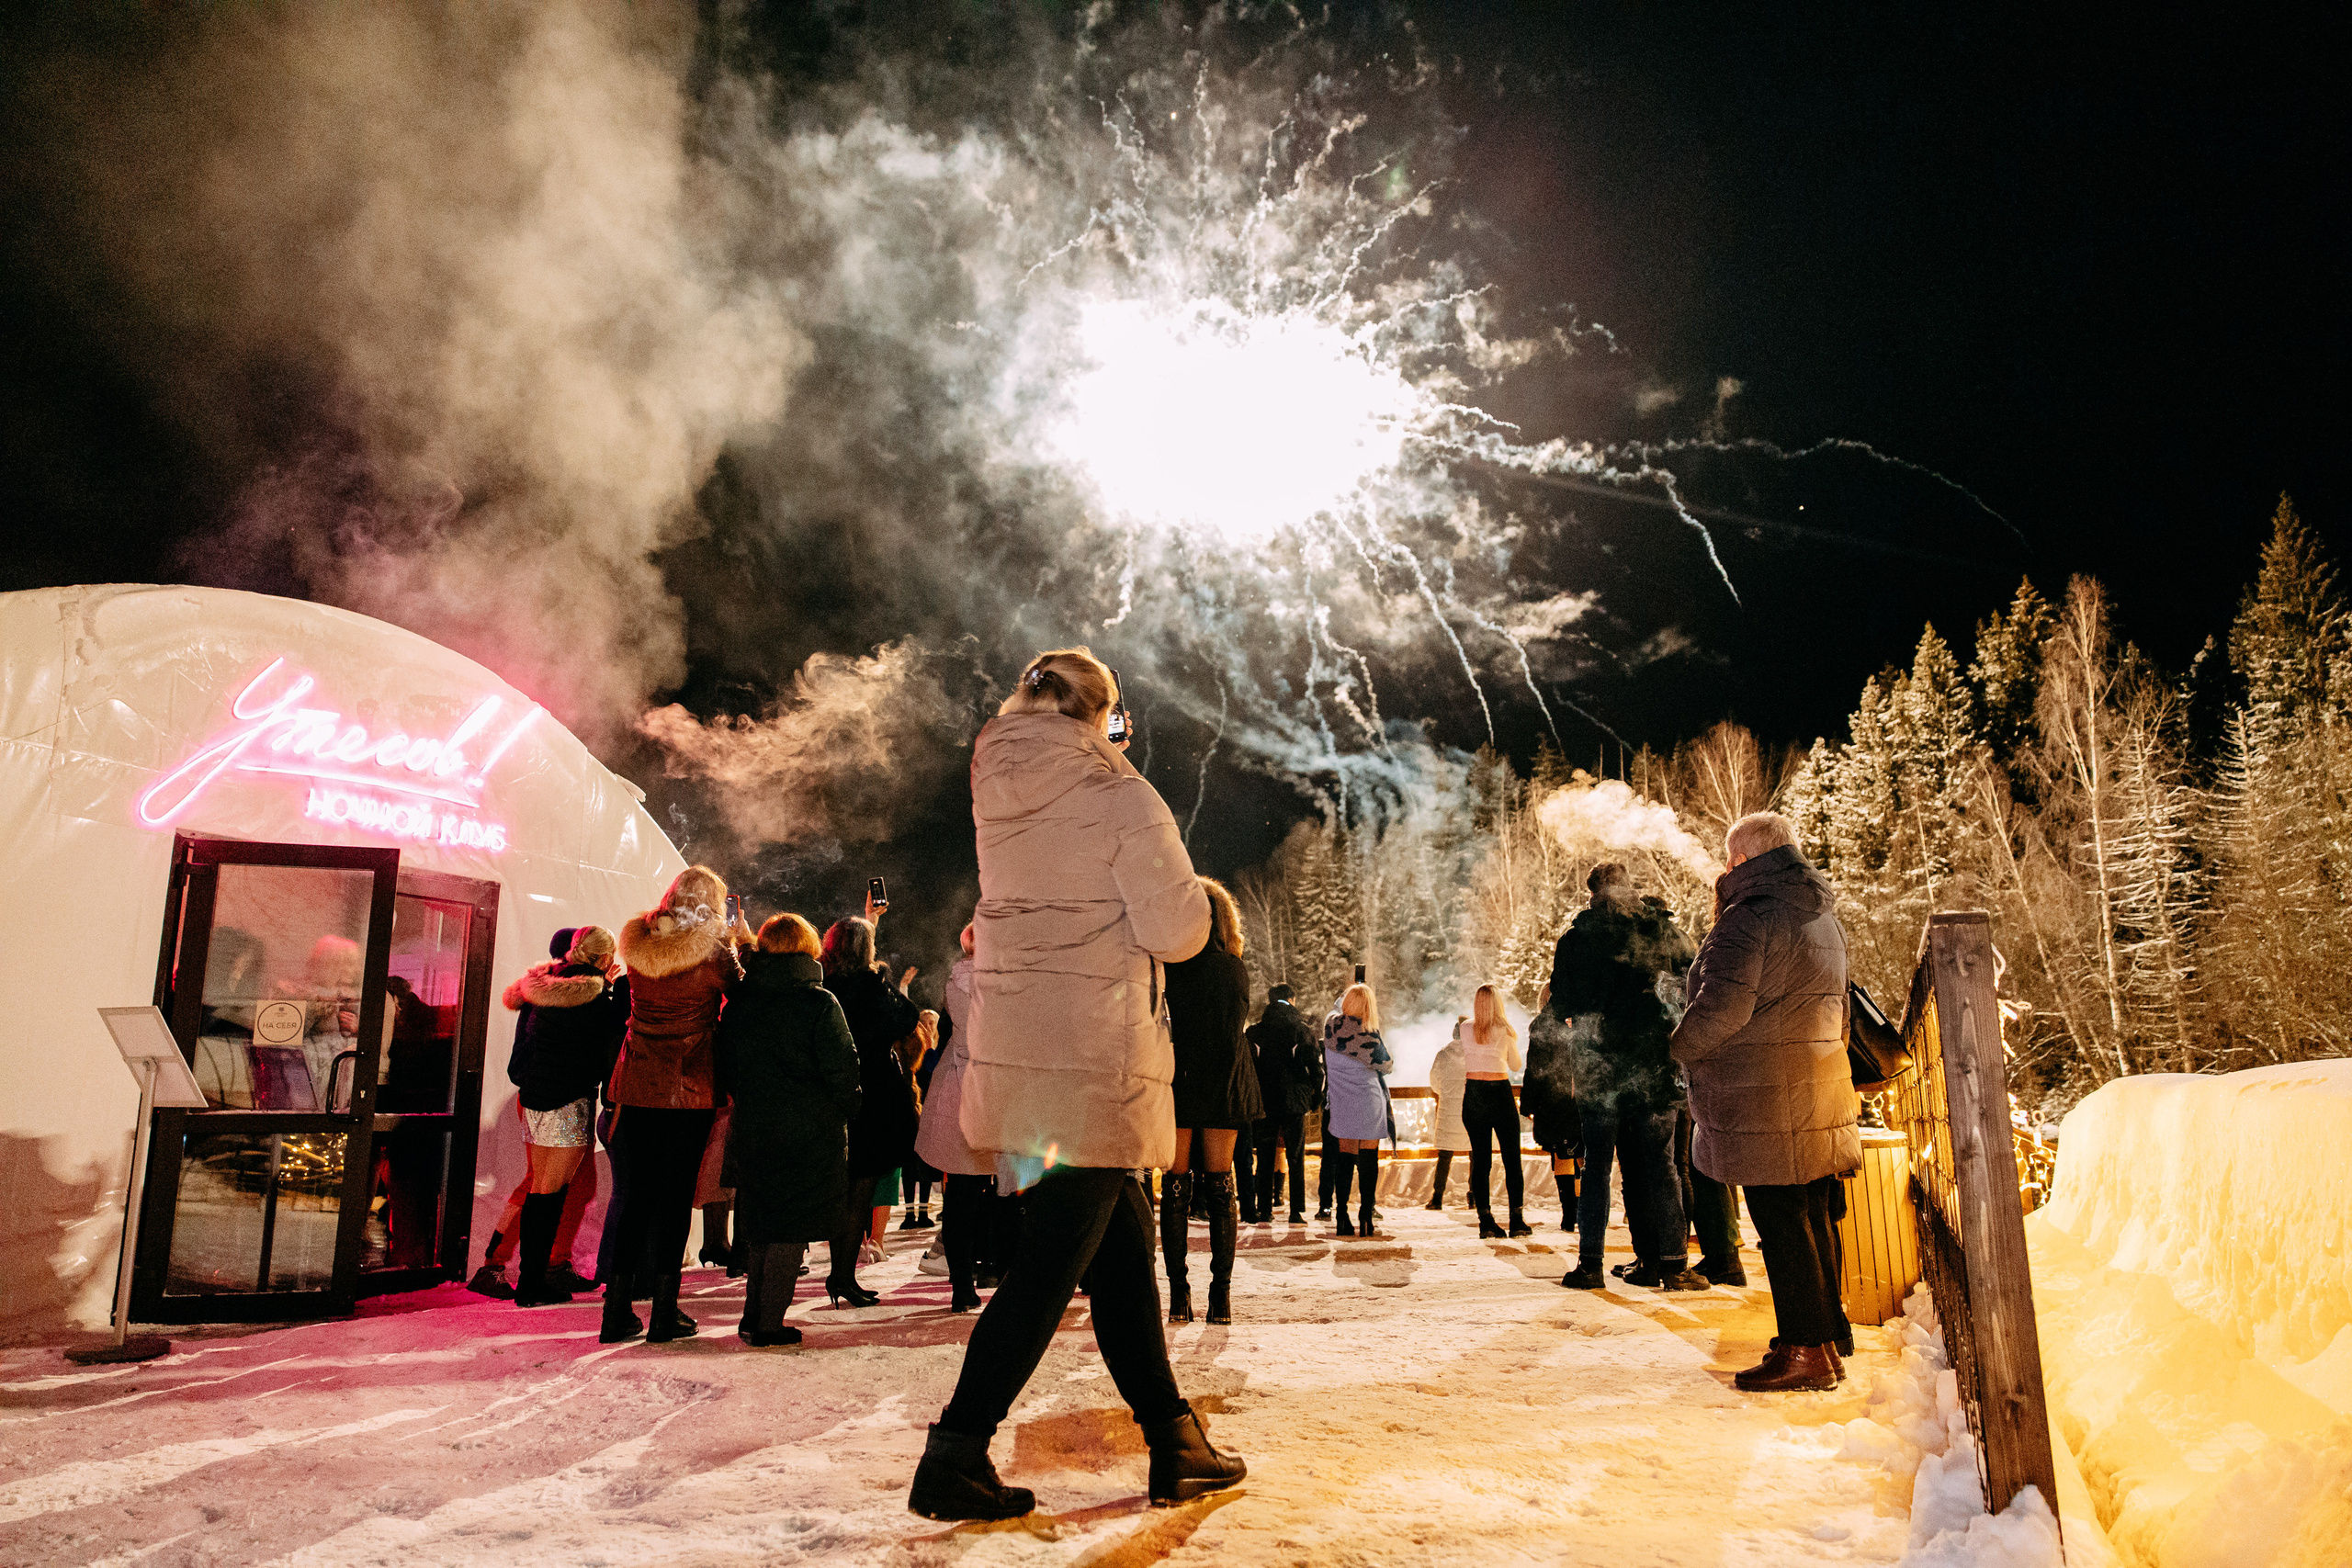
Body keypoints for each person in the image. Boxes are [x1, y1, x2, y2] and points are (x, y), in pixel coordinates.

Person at [907, 647, 1245, 1521]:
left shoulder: (997, 789)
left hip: (1020, 1052)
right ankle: (956, 1449)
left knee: (1123, 1257)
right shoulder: (1119, 793)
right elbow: (1178, 931)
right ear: (1104, 715)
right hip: (1094, 1059)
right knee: (1049, 1269)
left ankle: (1175, 1438)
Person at [1670, 813, 1860, 1393]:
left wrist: (1675, 1048)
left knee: (1781, 1222)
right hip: (1819, 1081)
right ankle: (1825, 1335)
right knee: (1810, 1215)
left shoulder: (1749, 918)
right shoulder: (1819, 913)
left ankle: (1805, 1351)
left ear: (1742, 861)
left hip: (1765, 1097)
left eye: (1729, 862)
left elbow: (1721, 1009)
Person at [603, 865, 752, 1346]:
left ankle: (616, 1312)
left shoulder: (640, 941)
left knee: (633, 1199)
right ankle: (665, 1313)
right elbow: (746, 998)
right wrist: (742, 943)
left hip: (636, 1083)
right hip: (690, 1088)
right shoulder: (714, 952)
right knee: (673, 1200)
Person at [1553, 863, 1704, 1290]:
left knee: (1597, 1167)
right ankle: (1675, 1265)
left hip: (1598, 1069)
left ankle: (1590, 1266)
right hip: (1655, 1066)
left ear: (1593, 892)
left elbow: (1557, 1003)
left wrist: (1584, 1025)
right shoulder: (1662, 931)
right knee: (1663, 1167)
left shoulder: (1576, 939)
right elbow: (1693, 983)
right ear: (1628, 887)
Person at [713, 912, 862, 1347]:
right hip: (808, 1130)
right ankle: (768, 1324)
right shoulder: (818, 1002)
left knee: (761, 1222)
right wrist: (847, 1108)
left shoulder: (742, 1001)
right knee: (791, 1226)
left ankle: (753, 1315)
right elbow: (842, 1067)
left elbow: (728, 1064)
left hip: (754, 1125)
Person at [497, 925, 628, 1307]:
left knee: (542, 1189)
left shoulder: (544, 989)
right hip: (569, 1100)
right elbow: (607, 1051)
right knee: (552, 1192)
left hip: (534, 1096)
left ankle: (531, 1277)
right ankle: (532, 1282)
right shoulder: (597, 1000)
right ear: (605, 959)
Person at [1160, 876, 1261, 1325]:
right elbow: (1231, 1028)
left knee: (1176, 1188)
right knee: (1221, 1186)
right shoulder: (1233, 967)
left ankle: (1178, 1295)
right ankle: (1220, 1297)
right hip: (1224, 1079)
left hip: (1180, 1079)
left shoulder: (1169, 966)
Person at [824, 914, 922, 1306]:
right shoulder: (870, 987)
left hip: (836, 1092)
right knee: (860, 1188)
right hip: (873, 1095)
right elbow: (907, 1018)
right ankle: (842, 1277)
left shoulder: (826, 983)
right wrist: (881, 976)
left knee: (845, 1186)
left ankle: (840, 1273)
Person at [914, 923, 995, 1312]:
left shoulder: (956, 981)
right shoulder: (996, 983)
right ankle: (987, 1271)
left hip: (959, 1088)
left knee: (962, 1193)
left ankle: (963, 1281)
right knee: (999, 1190)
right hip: (988, 1089)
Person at [1456, 987, 1532, 1238]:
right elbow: (1515, 1065)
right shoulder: (1505, 1030)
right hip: (1500, 1092)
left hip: (1474, 1092)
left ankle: (1485, 1219)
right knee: (1512, 1159)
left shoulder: (1466, 1028)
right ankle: (1516, 1218)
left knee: (1481, 1160)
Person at [1243, 985, 1319, 1224]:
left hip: (1264, 1101)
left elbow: (1247, 1069)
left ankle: (1264, 1208)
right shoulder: (1301, 1031)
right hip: (1294, 1102)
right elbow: (1316, 1068)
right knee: (1295, 1156)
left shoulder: (1255, 1033)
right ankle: (1296, 1211)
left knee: (1265, 1156)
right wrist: (1314, 1098)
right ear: (1292, 1000)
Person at [1321, 982, 1392, 1237]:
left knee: (1345, 1158)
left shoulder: (1330, 1027)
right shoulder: (1370, 1036)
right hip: (1369, 1101)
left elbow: (1337, 1008)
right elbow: (1387, 1065)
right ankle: (1366, 1216)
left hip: (1342, 1102)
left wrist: (1351, 994)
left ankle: (1341, 1215)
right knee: (1369, 1159)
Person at [1423, 1021, 1470, 1211]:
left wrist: (1446, 1094)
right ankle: (1474, 1195)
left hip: (1448, 1111)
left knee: (1444, 1156)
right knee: (1475, 1153)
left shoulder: (1443, 1054)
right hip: (1469, 1110)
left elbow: (1434, 1082)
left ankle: (1437, 1197)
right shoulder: (1474, 1054)